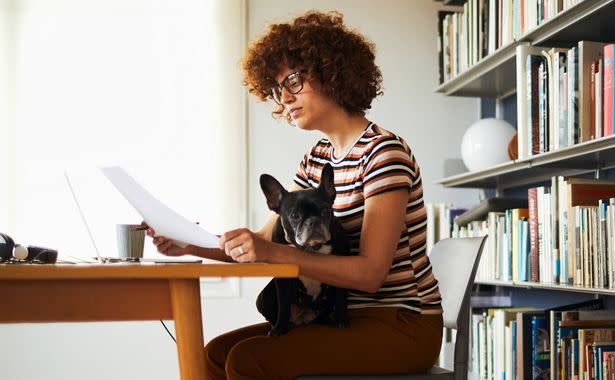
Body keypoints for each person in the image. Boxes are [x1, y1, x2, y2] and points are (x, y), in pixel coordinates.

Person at [146, 10, 443, 380]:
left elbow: (370, 274)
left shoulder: (384, 154)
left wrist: (276, 251)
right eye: (276, 89)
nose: (284, 98)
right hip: (337, 316)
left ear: (334, 72)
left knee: (248, 361)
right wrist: (188, 244)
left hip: (401, 325)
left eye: (294, 80)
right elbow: (260, 242)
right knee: (214, 354)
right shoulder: (316, 159)